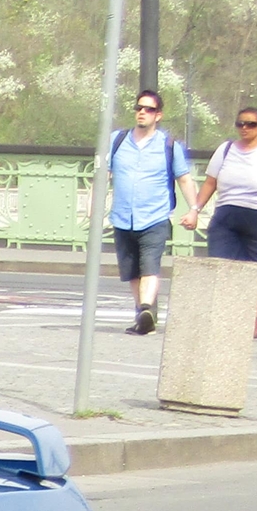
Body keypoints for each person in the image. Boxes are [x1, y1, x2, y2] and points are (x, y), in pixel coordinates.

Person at [183, 106, 257, 338]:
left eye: (251, 124)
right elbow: (210, 183)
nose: (244, 128)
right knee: (222, 265)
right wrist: (195, 210)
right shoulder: (226, 149)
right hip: (227, 215)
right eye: (240, 123)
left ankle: (254, 318)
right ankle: (226, 315)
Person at [107, 90, 191, 334]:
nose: (142, 112)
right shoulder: (117, 139)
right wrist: (93, 204)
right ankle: (144, 314)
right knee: (132, 271)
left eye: (149, 109)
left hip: (155, 216)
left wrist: (194, 209)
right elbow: (103, 174)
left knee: (150, 265)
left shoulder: (168, 145)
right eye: (139, 108)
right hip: (123, 217)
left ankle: (145, 307)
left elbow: (184, 179)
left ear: (159, 115)